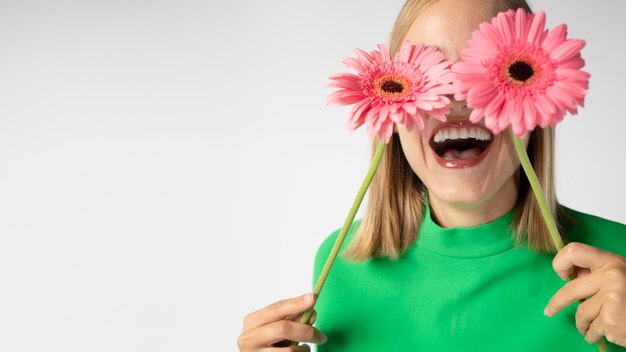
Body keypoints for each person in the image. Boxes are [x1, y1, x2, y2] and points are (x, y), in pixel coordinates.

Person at [237, 0, 626, 351]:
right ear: (389, 108)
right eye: (430, 70)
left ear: (536, 92)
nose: (457, 96)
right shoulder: (337, 265)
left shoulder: (616, 262)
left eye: (482, 68)